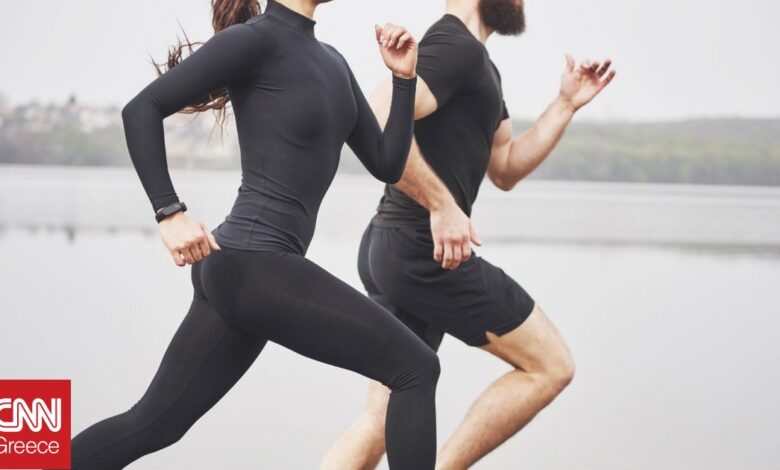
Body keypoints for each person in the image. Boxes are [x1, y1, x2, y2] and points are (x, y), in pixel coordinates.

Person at [65, 1, 441, 469]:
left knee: (153, 425)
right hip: (253, 261)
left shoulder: (334, 63)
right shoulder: (254, 40)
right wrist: (169, 212)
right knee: (416, 368)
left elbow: (387, 163)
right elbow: (141, 109)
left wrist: (404, 79)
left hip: (246, 269)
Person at [320, 0, 616, 468]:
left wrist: (564, 105)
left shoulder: (479, 64)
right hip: (423, 251)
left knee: (384, 417)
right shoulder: (455, 46)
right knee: (550, 365)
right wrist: (441, 205)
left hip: (393, 248)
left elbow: (506, 165)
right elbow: (377, 118)